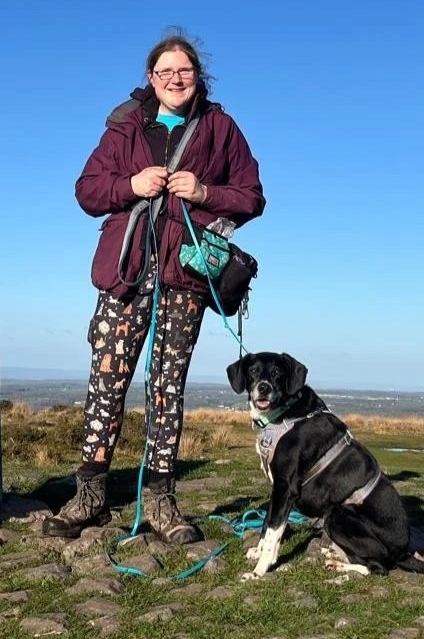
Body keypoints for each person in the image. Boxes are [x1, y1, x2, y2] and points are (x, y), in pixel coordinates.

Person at [45, 32, 266, 543]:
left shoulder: (220, 127)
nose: (175, 79)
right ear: (151, 78)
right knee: (106, 382)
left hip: (184, 278)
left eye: (184, 70)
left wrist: (206, 191)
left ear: (198, 76)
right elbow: (87, 190)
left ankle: (163, 504)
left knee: (168, 388)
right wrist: (130, 186)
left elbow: (252, 197)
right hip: (125, 275)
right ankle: (90, 496)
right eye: (165, 72)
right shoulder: (124, 127)